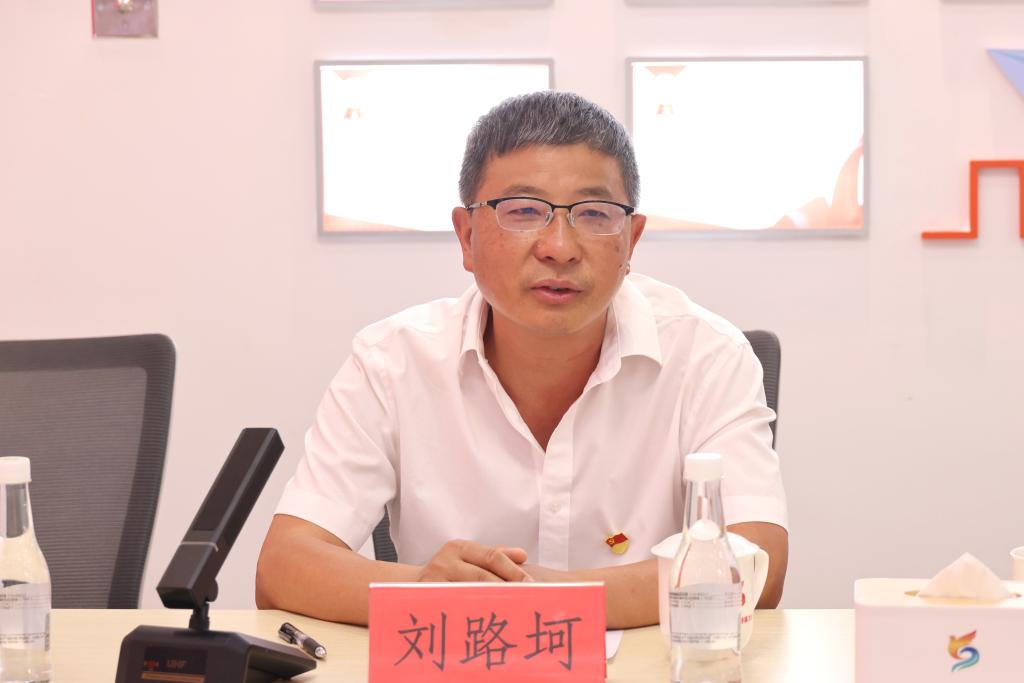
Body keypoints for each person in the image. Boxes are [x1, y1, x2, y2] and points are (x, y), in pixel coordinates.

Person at [255, 91, 788, 629]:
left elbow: (757, 562)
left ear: (631, 241)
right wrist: (425, 590)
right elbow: (284, 565)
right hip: (459, 658)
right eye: (524, 211)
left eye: (594, 214)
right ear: (467, 237)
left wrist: (535, 600)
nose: (559, 247)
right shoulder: (391, 361)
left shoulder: (707, 356)